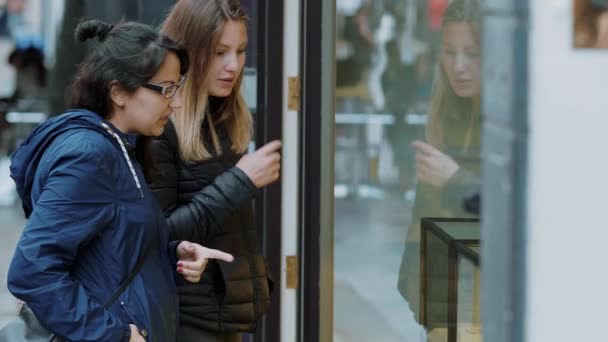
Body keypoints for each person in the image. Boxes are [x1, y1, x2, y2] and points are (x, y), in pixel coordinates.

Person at [6, 20, 233, 342]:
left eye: (177, 87)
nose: (177, 101)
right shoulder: (90, 155)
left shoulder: (118, 147)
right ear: (119, 92)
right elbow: (32, 271)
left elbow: (105, 254)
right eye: (166, 88)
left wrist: (171, 253)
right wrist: (114, 334)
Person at [137, 1, 281, 341]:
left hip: (230, 319)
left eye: (241, 50)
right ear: (188, 53)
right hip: (186, 322)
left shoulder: (227, 118)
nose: (234, 65)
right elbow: (157, 234)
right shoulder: (159, 128)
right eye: (219, 52)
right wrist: (240, 182)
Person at [397, 0, 481, 330]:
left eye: (472, 53)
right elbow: (422, 222)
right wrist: (416, 294)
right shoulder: (444, 119)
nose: (458, 65)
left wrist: (456, 180)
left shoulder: (511, 132)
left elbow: (522, 218)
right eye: (449, 51)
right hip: (446, 317)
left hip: (484, 313)